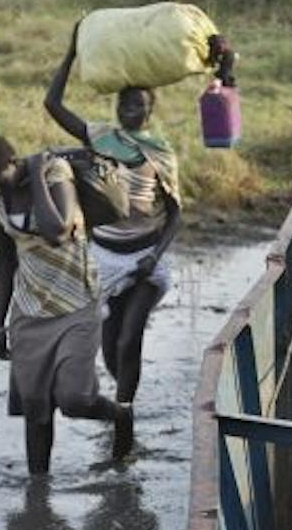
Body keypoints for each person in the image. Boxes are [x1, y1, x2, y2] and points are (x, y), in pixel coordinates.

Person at [44, 24, 189, 423]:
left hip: (146, 255)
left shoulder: (161, 153)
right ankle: (122, 408)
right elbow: (53, 104)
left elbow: (175, 214)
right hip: (104, 255)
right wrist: (71, 54)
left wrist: (155, 256)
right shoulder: (101, 137)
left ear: (150, 109)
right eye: (124, 104)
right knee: (109, 346)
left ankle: (125, 413)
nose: (129, 110)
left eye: (137, 105)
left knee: (129, 340)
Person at [0, 134, 138, 472]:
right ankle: (37, 494)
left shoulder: (55, 173)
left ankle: (120, 414)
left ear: (14, 162)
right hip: (29, 310)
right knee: (36, 410)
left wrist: (36, 174)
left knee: (75, 399)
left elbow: (57, 230)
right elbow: (6, 262)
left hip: (77, 301)